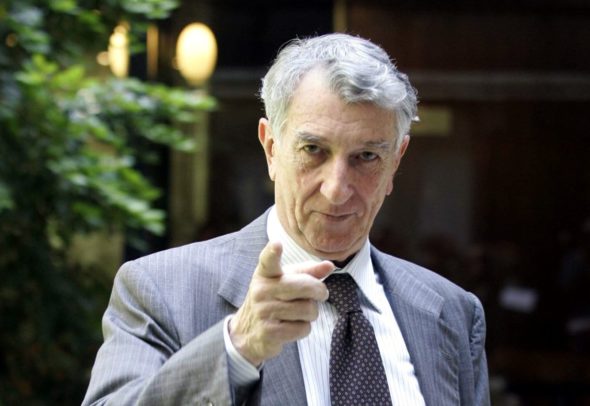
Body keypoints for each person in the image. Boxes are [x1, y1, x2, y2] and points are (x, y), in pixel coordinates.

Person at [83, 33, 490, 405]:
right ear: (271, 149)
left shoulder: (453, 314)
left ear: (395, 162)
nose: (336, 189)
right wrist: (236, 346)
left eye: (366, 156)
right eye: (313, 150)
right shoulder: (162, 291)